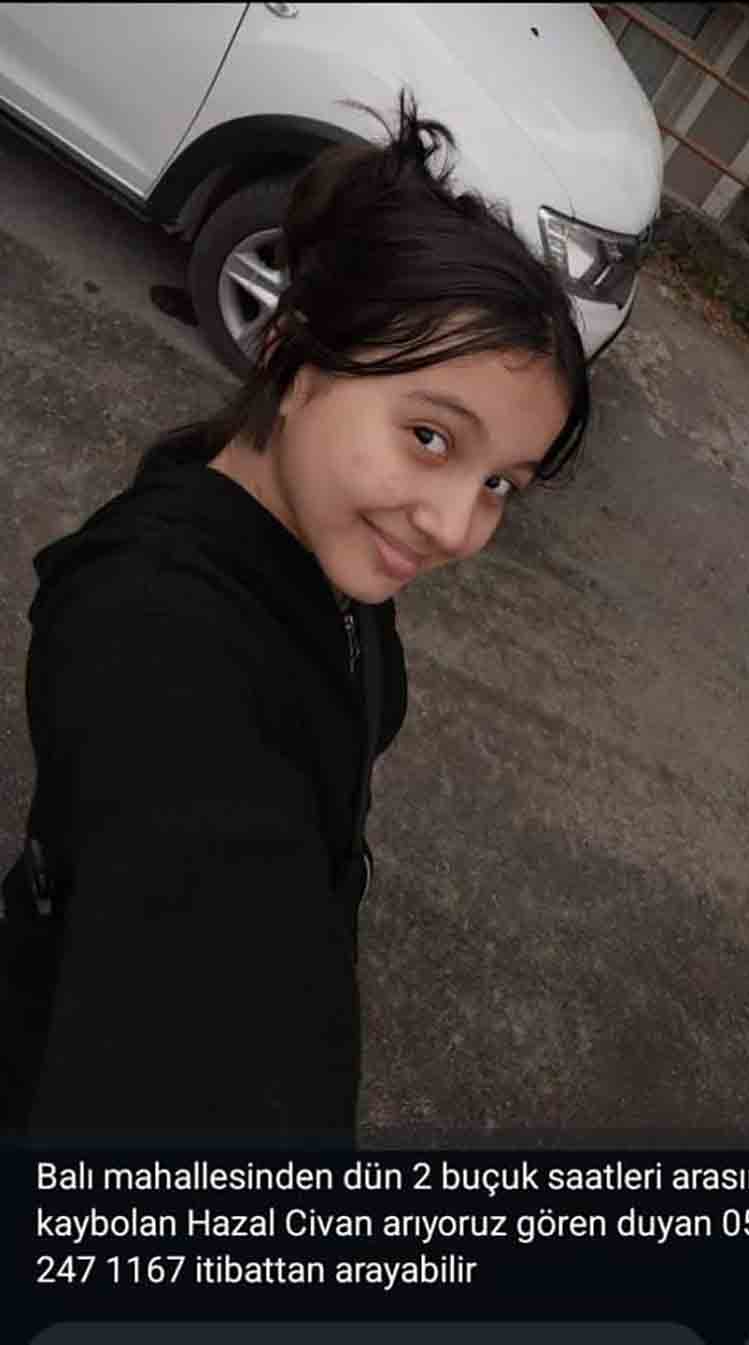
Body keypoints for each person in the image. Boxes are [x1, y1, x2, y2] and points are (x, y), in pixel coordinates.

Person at [0, 90, 590, 1141]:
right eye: (429, 436)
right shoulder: (153, 642)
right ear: (291, 353)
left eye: (501, 482)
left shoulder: (312, 534)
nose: (456, 526)